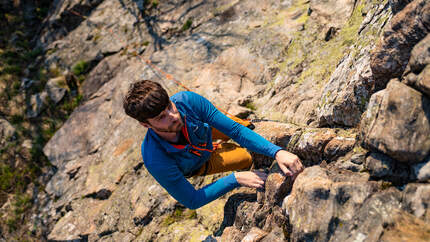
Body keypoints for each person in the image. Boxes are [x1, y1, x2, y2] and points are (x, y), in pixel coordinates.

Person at [123, 80, 303, 209]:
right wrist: (236, 179)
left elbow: (236, 131)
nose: (173, 116)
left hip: (203, 131)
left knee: (243, 127)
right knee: (245, 158)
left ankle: (235, 128)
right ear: (146, 125)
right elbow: (192, 200)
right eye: (161, 117)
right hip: (199, 163)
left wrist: (278, 152)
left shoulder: (187, 102)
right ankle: (228, 150)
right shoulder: (155, 158)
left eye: (169, 106)